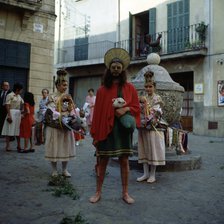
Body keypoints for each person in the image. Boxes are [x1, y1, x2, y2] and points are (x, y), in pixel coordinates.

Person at [89, 48, 140, 204]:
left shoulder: (130, 88)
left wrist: (125, 109)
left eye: (119, 68)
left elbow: (137, 107)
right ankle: (98, 192)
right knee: (103, 160)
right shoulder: (102, 90)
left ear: (122, 69)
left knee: (124, 161)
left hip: (123, 130)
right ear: (109, 70)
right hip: (106, 129)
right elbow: (97, 113)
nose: (116, 70)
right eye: (113, 68)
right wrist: (96, 134)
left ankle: (125, 193)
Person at [44, 69, 76, 177]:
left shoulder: (68, 97)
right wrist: (59, 116)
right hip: (54, 125)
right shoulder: (52, 96)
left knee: (65, 147)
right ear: (57, 85)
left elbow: (71, 109)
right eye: (63, 85)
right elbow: (50, 109)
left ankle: (65, 170)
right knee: (54, 146)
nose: (65, 87)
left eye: (66, 85)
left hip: (65, 125)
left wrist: (72, 116)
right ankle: (54, 170)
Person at [137, 71, 166, 183]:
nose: (148, 89)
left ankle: (152, 174)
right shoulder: (142, 98)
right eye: (146, 87)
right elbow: (138, 110)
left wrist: (151, 115)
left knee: (152, 149)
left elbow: (158, 111)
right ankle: (145, 173)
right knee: (144, 149)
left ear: (154, 87)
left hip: (153, 126)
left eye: (150, 86)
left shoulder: (157, 98)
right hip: (143, 126)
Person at [1, 83, 24, 152]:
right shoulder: (10, 95)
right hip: (11, 112)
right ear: (17, 89)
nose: (22, 91)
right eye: (21, 90)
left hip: (17, 113)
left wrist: (22, 111)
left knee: (17, 130)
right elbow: (7, 105)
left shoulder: (19, 96)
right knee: (9, 129)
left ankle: (19, 145)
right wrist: (9, 115)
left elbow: (22, 103)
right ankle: (7, 146)